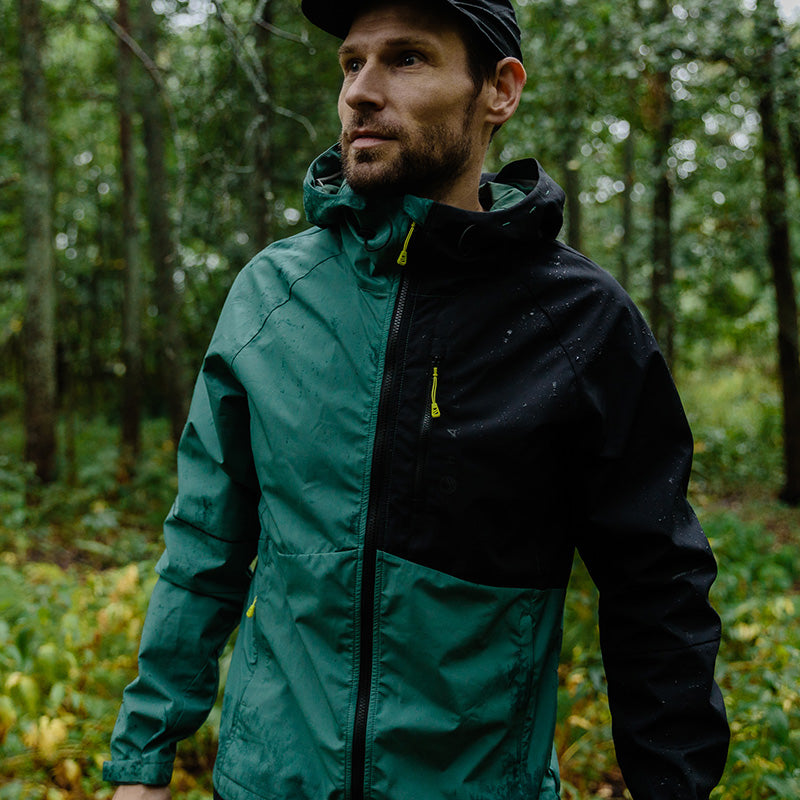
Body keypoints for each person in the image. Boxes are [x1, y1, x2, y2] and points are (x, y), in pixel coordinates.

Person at [104, 1, 730, 798]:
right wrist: (143, 760)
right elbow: (205, 544)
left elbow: (657, 588)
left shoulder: (580, 324)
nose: (360, 92)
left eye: (406, 59)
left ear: (499, 90)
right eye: (351, 62)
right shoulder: (271, 297)